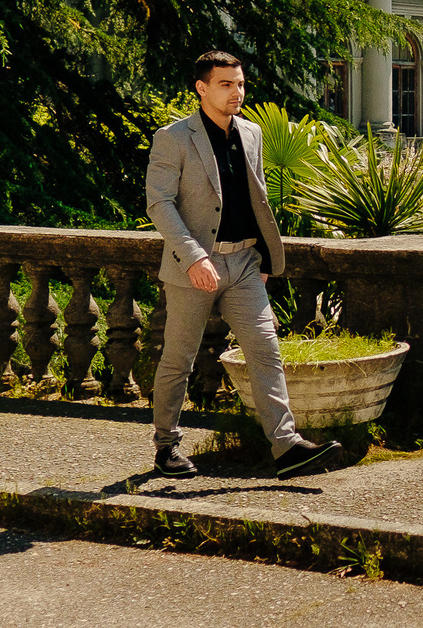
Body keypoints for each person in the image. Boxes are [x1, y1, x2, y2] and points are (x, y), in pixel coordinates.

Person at [147, 51, 342, 482]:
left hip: (246, 263)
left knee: (265, 350)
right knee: (179, 359)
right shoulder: (174, 138)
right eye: (226, 85)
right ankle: (166, 445)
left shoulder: (251, 133)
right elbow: (159, 202)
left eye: (240, 84)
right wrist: (194, 256)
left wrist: (266, 257)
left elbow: (257, 199)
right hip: (193, 266)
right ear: (201, 88)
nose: (237, 92)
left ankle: (286, 447)